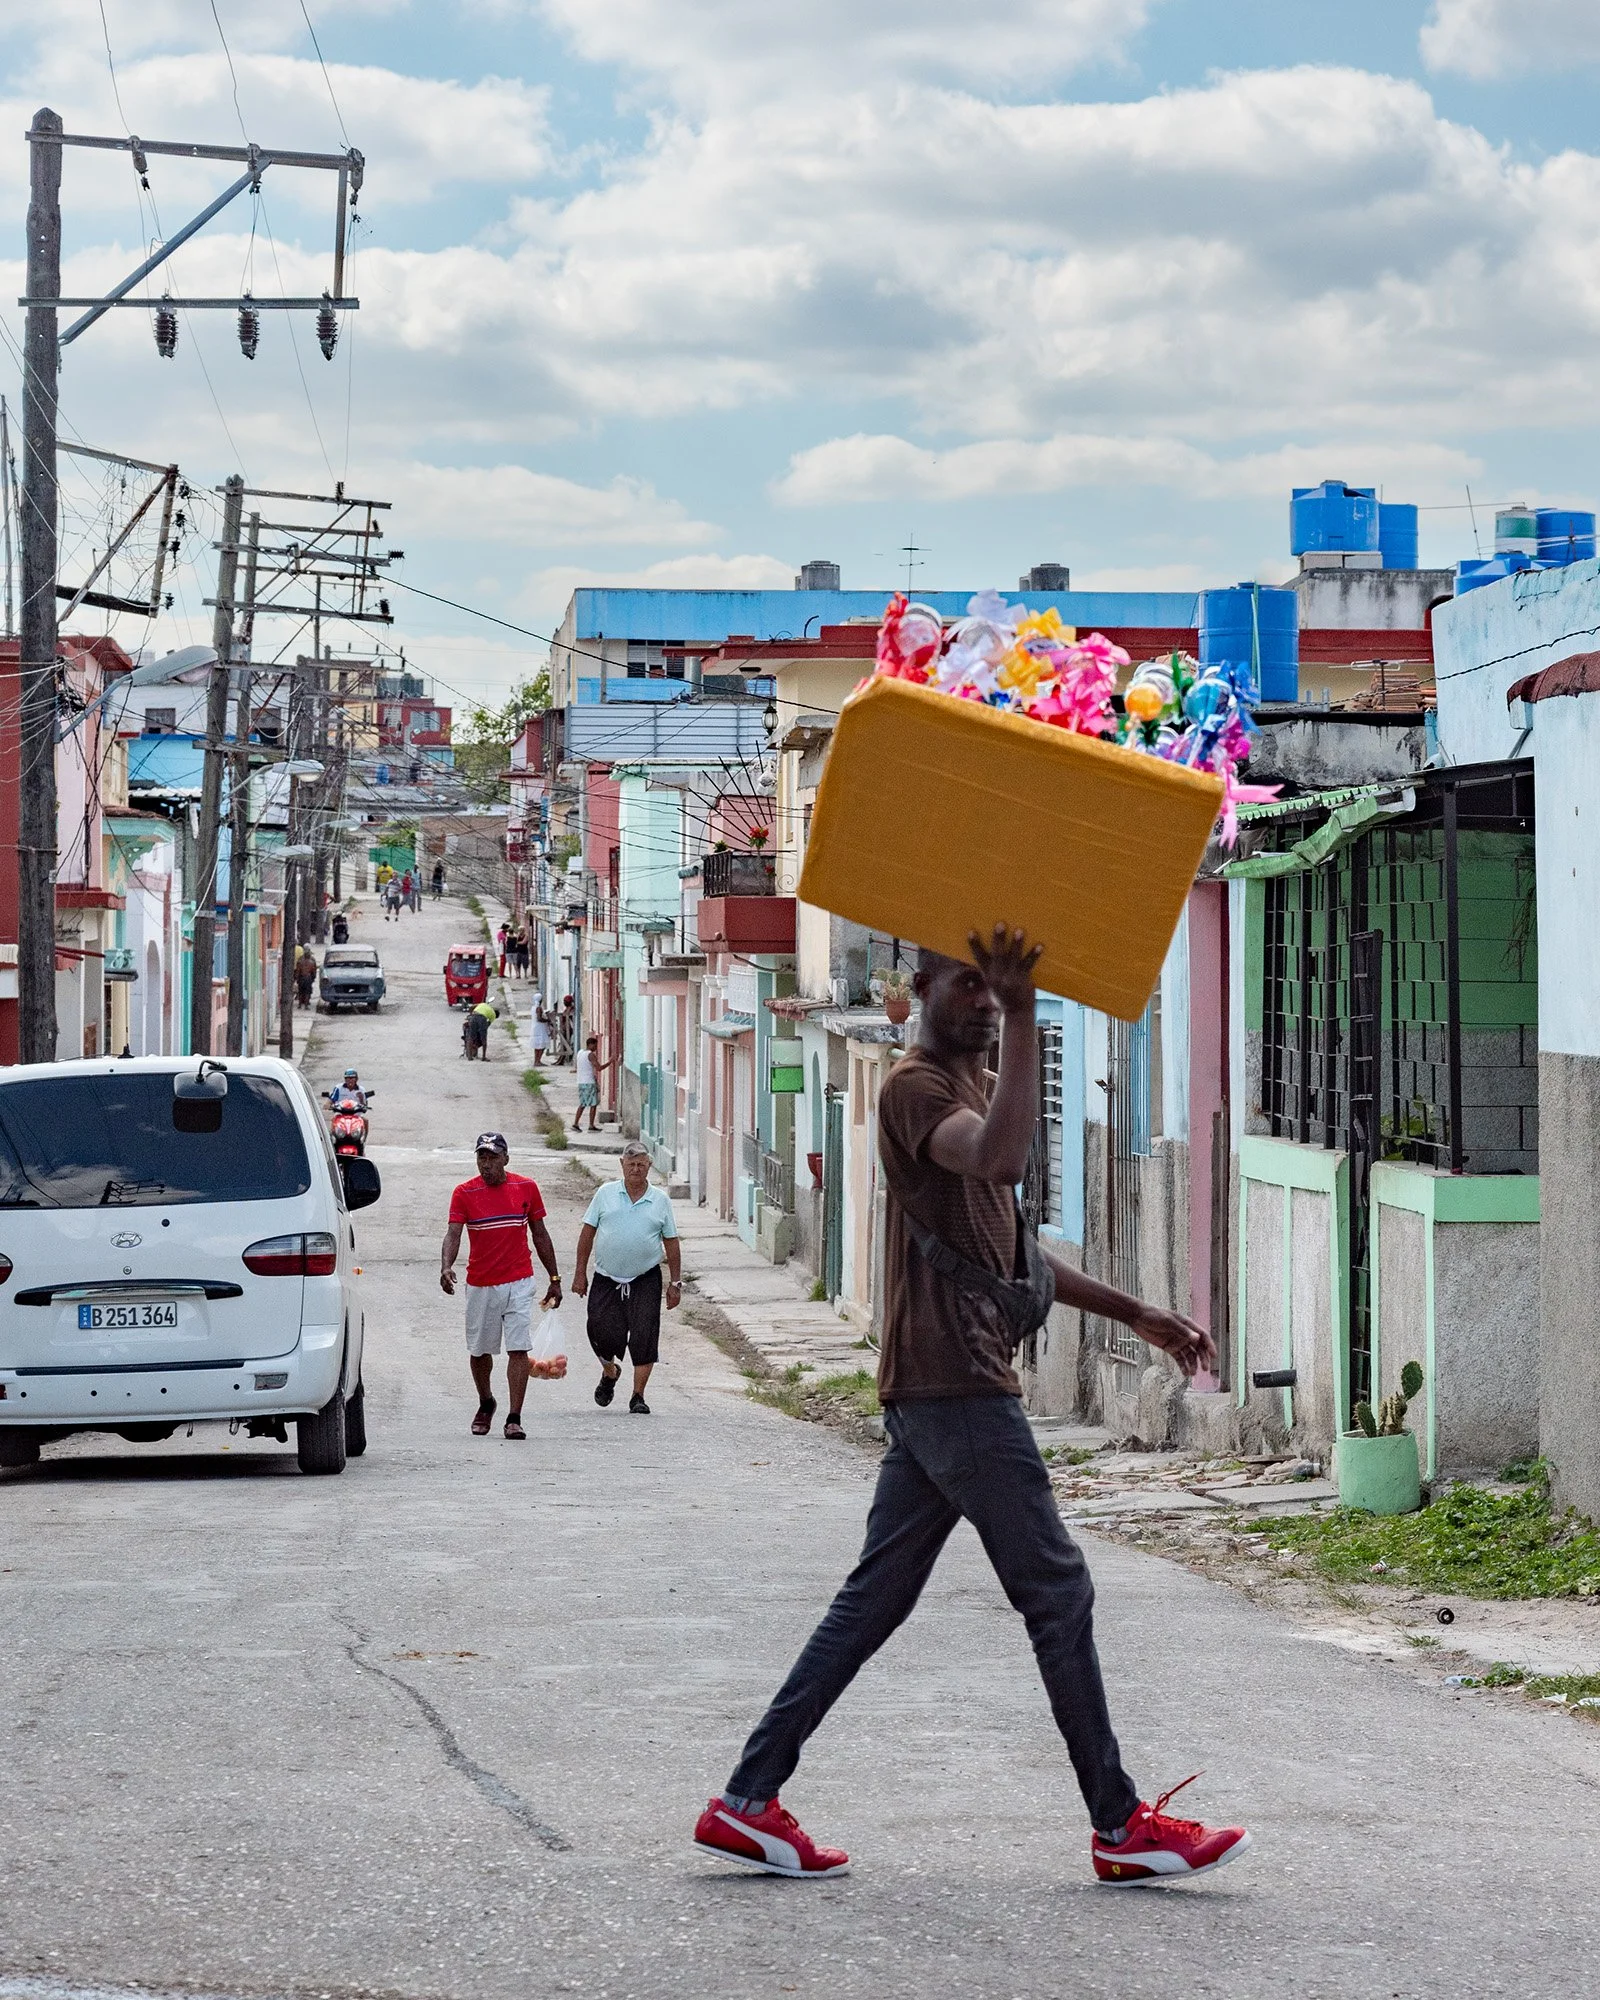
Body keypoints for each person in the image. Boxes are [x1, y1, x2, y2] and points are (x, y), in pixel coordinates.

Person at [692, 926, 1251, 1886]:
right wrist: (1030, 1007)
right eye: (970, 986)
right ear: (917, 993)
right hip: (956, 1384)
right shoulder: (916, 1090)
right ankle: (1118, 1825)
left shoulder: (971, 1090)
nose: (988, 1001)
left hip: (937, 1385)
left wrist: (1139, 1313)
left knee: (874, 1601)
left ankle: (746, 1800)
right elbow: (996, 1162)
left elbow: (1011, 1248)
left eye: (995, 990)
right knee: (1057, 1589)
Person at [440, 1132, 562, 1441]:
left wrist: (555, 1279)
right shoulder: (464, 1193)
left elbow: (540, 1234)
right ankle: (486, 1402)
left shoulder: (526, 1188)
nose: (487, 1163)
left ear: (506, 1159)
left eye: (493, 1157)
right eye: (482, 1157)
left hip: (519, 1281)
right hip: (481, 1284)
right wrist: (446, 1266)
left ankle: (514, 1417)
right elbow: (454, 1234)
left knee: (518, 1348)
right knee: (480, 1351)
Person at [572, 1141, 681, 1416]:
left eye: (641, 1164)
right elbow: (587, 1234)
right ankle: (610, 1372)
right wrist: (579, 1273)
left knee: (645, 1335)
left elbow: (671, 1242)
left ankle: (638, 1396)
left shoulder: (660, 1200)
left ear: (649, 1166)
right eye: (631, 1164)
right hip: (606, 1277)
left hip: (645, 1277)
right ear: (622, 1165)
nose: (635, 1169)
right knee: (598, 1329)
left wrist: (675, 1283)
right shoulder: (605, 1194)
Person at [573, 1034, 612, 1131]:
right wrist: (610, 1062)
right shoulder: (590, 1055)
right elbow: (599, 1068)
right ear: (590, 1044)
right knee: (593, 1104)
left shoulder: (580, 1052)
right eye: (595, 1045)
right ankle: (591, 1125)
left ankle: (576, 1123)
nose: (595, 1048)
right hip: (589, 1082)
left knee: (582, 1103)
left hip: (581, 1081)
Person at [294, 945, 317, 1009]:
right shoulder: (312, 961)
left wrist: (297, 978)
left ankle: (299, 1005)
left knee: (301, 991)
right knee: (307, 992)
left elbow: (298, 971)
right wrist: (313, 978)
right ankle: (306, 1005)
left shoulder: (300, 961)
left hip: (301, 978)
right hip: (308, 978)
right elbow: (314, 972)